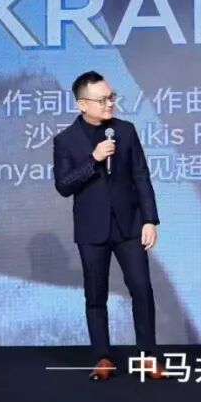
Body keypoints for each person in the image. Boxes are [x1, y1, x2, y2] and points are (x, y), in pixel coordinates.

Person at [53, 70, 164, 381]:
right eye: (101, 100)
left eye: (111, 97)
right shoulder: (66, 140)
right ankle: (103, 357)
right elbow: (64, 185)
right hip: (92, 229)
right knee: (96, 295)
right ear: (82, 104)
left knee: (142, 289)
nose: (109, 104)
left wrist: (150, 219)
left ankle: (148, 357)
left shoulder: (125, 131)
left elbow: (141, 176)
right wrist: (93, 159)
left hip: (129, 225)